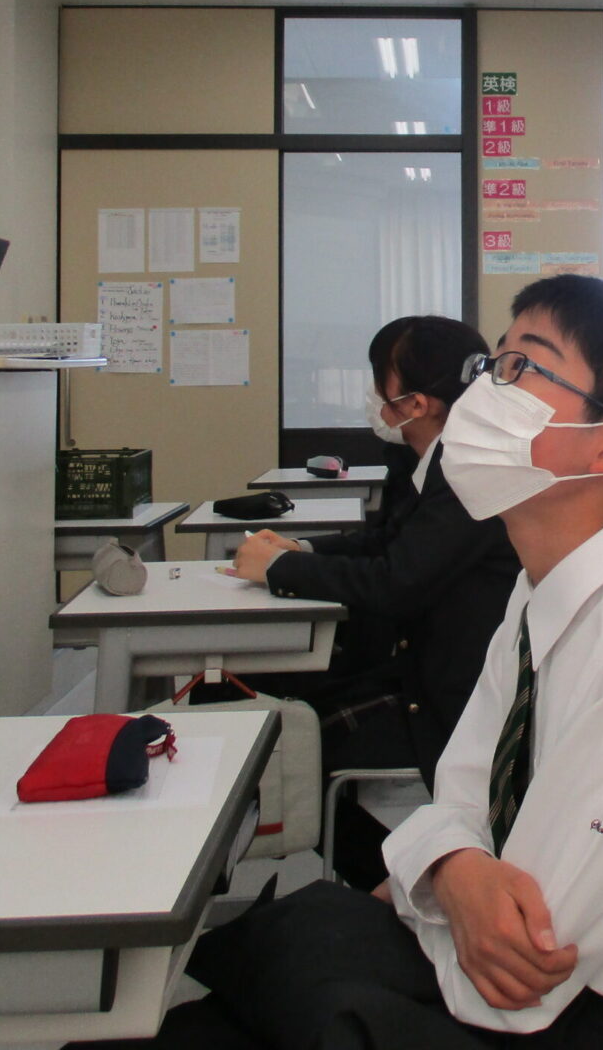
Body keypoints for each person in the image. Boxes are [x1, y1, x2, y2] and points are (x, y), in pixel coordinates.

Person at [109, 275, 603, 1050]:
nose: (484, 391)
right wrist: (450, 868)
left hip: (573, 1023)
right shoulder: (540, 593)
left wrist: (427, 877)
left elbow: (520, 967)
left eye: (522, 368)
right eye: (491, 364)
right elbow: (461, 791)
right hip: (481, 985)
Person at [229, 316, 522, 882]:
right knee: (266, 694)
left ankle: (395, 887)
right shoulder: (428, 457)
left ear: (419, 403)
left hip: (447, 694)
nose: (374, 398)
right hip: (412, 662)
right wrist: (298, 550)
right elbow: (388, 542)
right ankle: (392, 883)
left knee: (296, 742)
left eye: (379, 382)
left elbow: (396, 582)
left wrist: (284, 569)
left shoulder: (469, 470)